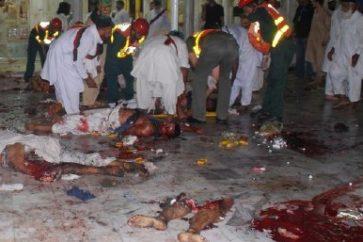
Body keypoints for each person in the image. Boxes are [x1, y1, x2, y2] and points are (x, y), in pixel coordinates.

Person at [0, 132, 148, 182]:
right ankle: (121, 164)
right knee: (80, 158)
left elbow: (17, 159)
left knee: (55, 170)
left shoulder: (10, 148)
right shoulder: (9, 143)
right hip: (46, 145)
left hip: (38, 148)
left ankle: (105, 170)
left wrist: (32, 172)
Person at [40, 15, 113, 114]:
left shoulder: (93, 34)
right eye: (109, 31)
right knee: (71, 87)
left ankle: (59, 109)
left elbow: (90, 53)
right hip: (62, 56)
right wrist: (87, 79)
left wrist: (96, 65)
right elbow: (78, 60)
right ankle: (73, 115)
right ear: (102, 29)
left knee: (65, 89)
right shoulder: (89, 37)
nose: (110, 35)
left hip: (67, 56)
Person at [239, 0, 294, 128]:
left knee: (278, 81)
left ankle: (276, 114)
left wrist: (248, 17)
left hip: (283, 47)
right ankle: (267, 110)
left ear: (251, 6)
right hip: (278, 48)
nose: (245, 14)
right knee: (272, 80)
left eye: (245, 9)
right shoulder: (266, 9)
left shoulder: (261, 11)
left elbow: (252, 20)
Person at [25, 104, 181, 139]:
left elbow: (125, 131)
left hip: (108, 123)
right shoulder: (154, 123)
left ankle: (34, 126)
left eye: (169, 128)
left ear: (166, 133)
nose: (167, 124)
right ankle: (55, 116)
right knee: (78, 116)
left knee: (71, 125)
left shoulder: (148, 130)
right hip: (111, 113)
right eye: (170, 123)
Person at [186, 30, 239, 124]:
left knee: (199, 77)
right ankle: (222, 117)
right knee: (225, 79)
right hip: (233, 45)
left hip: (215, 46)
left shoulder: (190, 41)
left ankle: (198, 116)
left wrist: (205, 76)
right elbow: (232, 63)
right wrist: (233, 76)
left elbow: (196, 65)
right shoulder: (208, 35)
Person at [132, 31, 189, 115]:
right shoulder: (181, 43)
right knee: (170, 84)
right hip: (164, 54)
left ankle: (142, 114)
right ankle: (170, 117)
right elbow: (184, 69)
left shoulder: (154, 38)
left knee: (144, 85)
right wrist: (182, 91)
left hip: (144, 55)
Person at [326, 0, 363, 109]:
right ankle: (343, 98)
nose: (344, 7)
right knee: (334, 73)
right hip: (341, 52)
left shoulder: (360, 19)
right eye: (343, 5)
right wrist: (333, 49)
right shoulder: (343, 18)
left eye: (346, 5)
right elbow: (339, 36)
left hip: (355, 53)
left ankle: (353, 102)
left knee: (353, 78)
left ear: (353, 6)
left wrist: (357, 54)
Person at [104, 18, 149, 107]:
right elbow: (114, 56)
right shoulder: (119, 35)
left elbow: (132, 47)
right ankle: (111, 101)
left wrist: (133, 50)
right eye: (138, 34)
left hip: (125, 53)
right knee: (112, 75)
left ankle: (129, 97)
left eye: (141, 35)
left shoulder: (138, 35)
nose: (139, 37)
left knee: (129, 74)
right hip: (113, 54)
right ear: (133, 29)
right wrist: (119, 73)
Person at [222, 21, 262, 114]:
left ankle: (245, 104)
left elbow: (233, 60)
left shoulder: (232, 37)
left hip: (249, 55)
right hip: (242, 53)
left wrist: (233, 75)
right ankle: (228, 103)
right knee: (236, 82)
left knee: (246, 81)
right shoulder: (224, 32)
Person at [82, 0, 113, 107]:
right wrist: (97, 61)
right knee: (92, 74)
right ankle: (88, 101)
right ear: (99, 7)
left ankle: (92, 99)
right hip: (93, 54)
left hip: (101, 50)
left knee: (99, 75)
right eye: (104, 7)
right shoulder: (92, 19)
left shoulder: (107, 18)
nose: (107, 9)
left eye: (109, 7)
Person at [23, 18, 63, 83]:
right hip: (34, 37)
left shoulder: (58, 30)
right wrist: (44, 48)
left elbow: (55, 39)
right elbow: (42, 42)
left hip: (43, 40)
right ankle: (28, 77)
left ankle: (46, 77)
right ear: (51, 26)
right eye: (54, 28)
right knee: (31, 57)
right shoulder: (44, 27)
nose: (56, 30)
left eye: (57, 28)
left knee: (45, 58)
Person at [305, 0, 331, 88]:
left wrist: (326, 39)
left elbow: (328, 28)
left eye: (313, 1)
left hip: (320, 41)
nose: (311, 3)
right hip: (313, 39)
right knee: (314, 60)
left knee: (320, 60)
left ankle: (320, 79)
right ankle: (317, 79)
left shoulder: (324, 13)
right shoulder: (315, 12)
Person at [293, 0, 314, 79]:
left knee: (308, 56)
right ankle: (299, 74)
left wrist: (310, 35)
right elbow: (295, 21)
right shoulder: (300, 8)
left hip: (306, 36)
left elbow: (312, 23)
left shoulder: (310, 8)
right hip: (299, 35)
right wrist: (294, 32)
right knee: (299, 56)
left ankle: (309, 74)